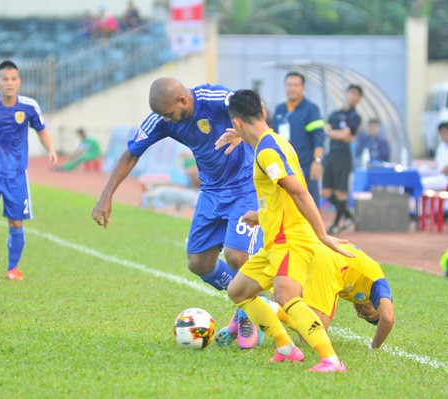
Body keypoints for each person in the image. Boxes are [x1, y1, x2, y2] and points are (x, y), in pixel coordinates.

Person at [91, 77, 264, 349]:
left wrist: (244, 131)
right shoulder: (162, 118)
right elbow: (131, 153)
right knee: (199, 264)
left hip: (244, 189)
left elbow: (257, 107)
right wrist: (106, 195)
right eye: (162, 116)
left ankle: (247, 311)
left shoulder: (214, 98)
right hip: (211, 192)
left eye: (169, 114)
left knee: (236, 256)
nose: (166, 121)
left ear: (182, 100)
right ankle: (251, 296)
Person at [218, 89, 351, 373]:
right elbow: (281, 193)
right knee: (238, 291)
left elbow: (300, 192)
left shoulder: (267, 152)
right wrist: (261, 214)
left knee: (287, 297)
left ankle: (331, 360)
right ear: (264, 113)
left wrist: (323, 235)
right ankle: (286, 348)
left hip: (290, 238)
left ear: (237, 123)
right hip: (275, 239)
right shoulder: (273, 142)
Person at [0, 60, 58, 281]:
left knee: (16, 222)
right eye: (5, 79)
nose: (9, 83)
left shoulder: (29, 106)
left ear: (19, 81)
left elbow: (41, 130)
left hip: (16, 174)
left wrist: (51, 149)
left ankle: (12, 267)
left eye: (13, 79)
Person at [302, 242, 394, 349]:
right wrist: (374, 346)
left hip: (313, 249)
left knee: (286, 298)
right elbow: (388, 318)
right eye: (368, 315)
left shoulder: (355, 287)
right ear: (378, 306)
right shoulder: (379, 285)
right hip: (330, 260)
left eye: (360, 316)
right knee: (314, 339)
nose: (360, 313)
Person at [271, 71, 325, 208]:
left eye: (296, 85)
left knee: (309, 204)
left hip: (305, 166)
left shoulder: (310, 109)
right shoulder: (279, 109)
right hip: (283, 166)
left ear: (303, 88)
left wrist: (317, 162)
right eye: (289, 85)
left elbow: (318, 137)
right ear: (285, 87)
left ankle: (315, 230)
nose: (292, 88)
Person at [321, 84, 363, 234]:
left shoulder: (355, 117)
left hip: (343, 156)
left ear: (359, 98)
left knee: (341, 191)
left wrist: (331, 132)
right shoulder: (335, 114)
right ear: (346, 93)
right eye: (351, 92)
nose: (353, 96)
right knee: (325, 191)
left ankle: (336, 223)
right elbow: (326, 129)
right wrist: (335, 133)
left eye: (356, 94)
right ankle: (349, 215)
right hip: (331, 154)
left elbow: (346, 136)